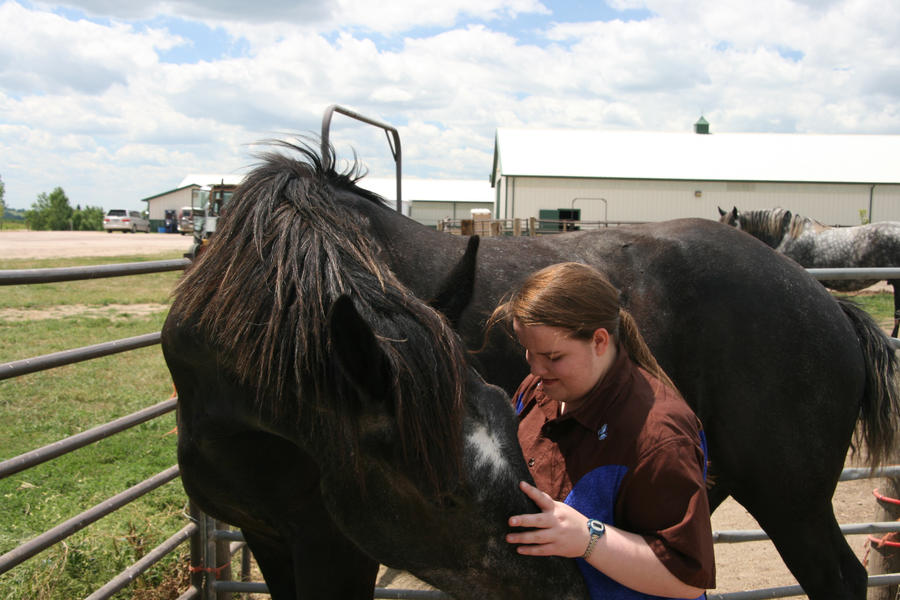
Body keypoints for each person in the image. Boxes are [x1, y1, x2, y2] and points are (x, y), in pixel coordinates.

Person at [487, 262, 715, 599]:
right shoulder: (538, 390)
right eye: (529, 352)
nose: (535, 368)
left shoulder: (658, 435)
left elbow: (686, 579)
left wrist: (587, 538)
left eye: (552, 356)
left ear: (599, 340)